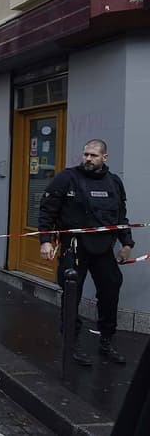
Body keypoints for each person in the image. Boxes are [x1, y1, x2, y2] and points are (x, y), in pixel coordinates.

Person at [38, 139, 134, 366]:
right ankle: (72, 342)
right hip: (75, 247)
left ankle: (106, 341)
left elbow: (121, 218)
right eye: (85, 154)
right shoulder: (67, 178)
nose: (88, 159)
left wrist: (127, 244)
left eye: (93, 155)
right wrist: (45, 241)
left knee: (111, 289)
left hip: (103, 249)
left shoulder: (114, 183)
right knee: (72, 292)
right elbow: (47, 210)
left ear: (104, 158)